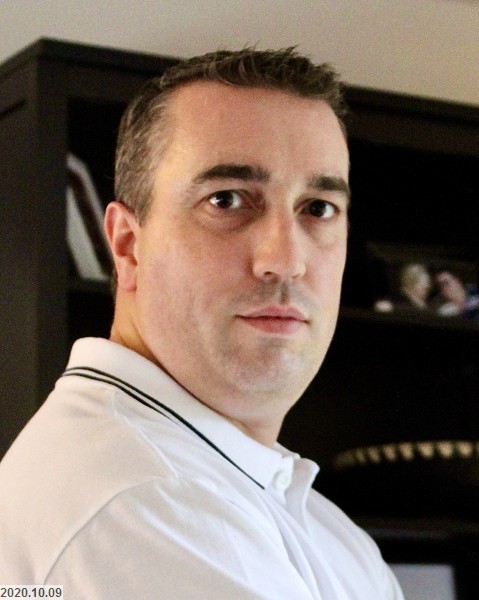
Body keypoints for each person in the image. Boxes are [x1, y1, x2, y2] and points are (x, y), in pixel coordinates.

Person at [0, 48, 403, 599]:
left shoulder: (326, 528)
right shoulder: (139, 502)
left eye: (318, 208)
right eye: (227, 200)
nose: (286, 260)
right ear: (128, 245)